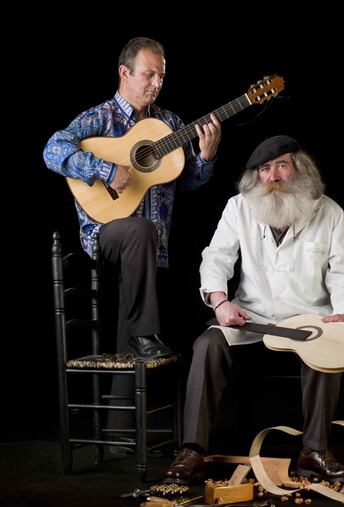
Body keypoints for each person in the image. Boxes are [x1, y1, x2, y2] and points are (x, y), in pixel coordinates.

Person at [164, 134, 344, 485]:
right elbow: (216, 258)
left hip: (308, 319)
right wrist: (220, 302)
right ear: (255, 176)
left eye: (282, 165)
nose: (272, 176)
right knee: (207, 345)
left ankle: (313, 451)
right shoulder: (239, 207)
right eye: (264, 169)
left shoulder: (330, 213)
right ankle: (192, 450)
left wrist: (343, 315)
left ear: (299, 170)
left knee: (327, 348)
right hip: (251, 319)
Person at [43, 36, 221, 359]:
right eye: (148, 75)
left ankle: (124, 397)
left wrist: (206, 158)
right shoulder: (101, 118)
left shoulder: (170, 125)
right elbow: (52, 150)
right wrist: (106, 171)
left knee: (141, 252)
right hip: (104, 232)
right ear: (124, 73)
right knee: (140, 229)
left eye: (162, 77)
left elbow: (187, 181)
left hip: (153, 249)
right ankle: (143, 334)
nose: (156, 84)